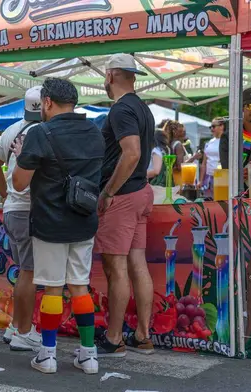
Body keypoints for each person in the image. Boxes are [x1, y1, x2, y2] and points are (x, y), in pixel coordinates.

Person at [12, 78, 103, 375]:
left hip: (50, 223)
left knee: (52, 288)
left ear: (47, 102)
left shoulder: (40, 133)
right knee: (79, 286)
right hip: (84, 221)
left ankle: (48, 355)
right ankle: (89, 356)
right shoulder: (95, 131)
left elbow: (19, 182)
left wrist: (20, 157)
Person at [94, 53, 155, 358]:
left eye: (106, 74)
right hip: (142, 191)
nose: (104, 80)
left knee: (116, 267)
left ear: (112, 75)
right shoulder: (143, 108)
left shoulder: (121, 109)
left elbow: (131, 153)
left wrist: (107, 191)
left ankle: (114, 337)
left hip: (124, 196)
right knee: (137, 264)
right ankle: (143, 335)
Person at [0, 86, 42, 351]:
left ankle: (15, 325)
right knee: (28, 273)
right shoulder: (42, 133)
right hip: (28, 209)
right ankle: (24, 331)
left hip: (12, 209)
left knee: (23, 272)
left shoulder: (13, 130)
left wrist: (4, 193)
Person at [198, 117, 225, 196]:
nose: (211, 129)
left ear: (221, 126)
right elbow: (204, 163)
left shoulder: (226, 141)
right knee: (209, 202)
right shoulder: (209, 142)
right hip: (208, 178)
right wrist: (200, 181)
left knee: (220, 201)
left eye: (213, 126)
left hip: (221, 177)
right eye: (210, 127)